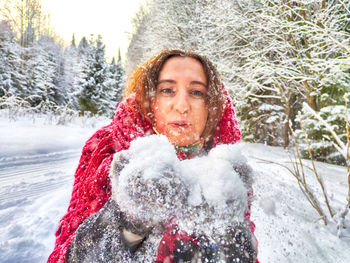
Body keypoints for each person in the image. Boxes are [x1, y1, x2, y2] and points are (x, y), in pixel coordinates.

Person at [48, 49, 258, 263]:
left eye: (196, 92)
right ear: (150, 100)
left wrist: (232, 240)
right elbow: (66, 257)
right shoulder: (106, 151)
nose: (182, 106)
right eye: (167, 90)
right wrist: (128, 221)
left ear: (211, 105)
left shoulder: (224, 169)